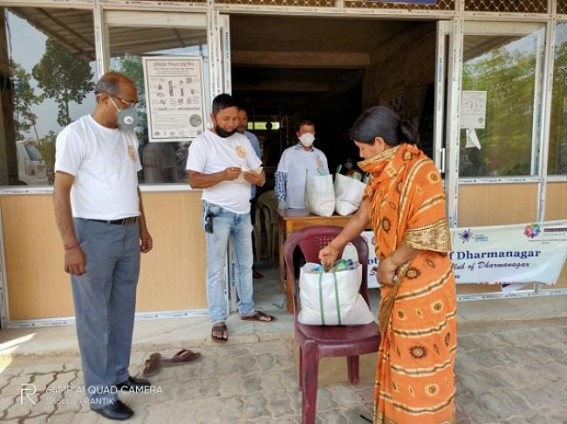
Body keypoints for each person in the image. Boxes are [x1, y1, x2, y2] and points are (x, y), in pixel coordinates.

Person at [318, 106, 457, 423]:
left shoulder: (422, 171)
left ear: (379, 143)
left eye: (362, 147)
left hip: (424, 284)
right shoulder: (381, 174)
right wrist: (336, 245)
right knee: (397, 351)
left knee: (419, 356)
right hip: (396, 277)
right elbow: (362, 215)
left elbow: (428, 231)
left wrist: (390, 262)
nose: (361, 154)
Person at [53, 72, 153, 421]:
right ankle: (99, 394)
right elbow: (61, 191)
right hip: (92, 236)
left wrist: (143, 226)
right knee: (94, 318)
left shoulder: (126, 135)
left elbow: (133, 185)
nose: (129, 110)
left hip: (127, 233)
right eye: (125, 102)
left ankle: (119, 375)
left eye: (132, 104)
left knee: (122, 310)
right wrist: (70, 245)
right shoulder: (75, 135)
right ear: (102, 98)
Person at [186, 93, 276, 343]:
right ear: (213, 117)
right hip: (217, 211)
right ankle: (218, 318)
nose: (231, 123)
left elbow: (260, 174)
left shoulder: (243, 141)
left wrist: (257, 179)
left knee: (245, 264)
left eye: (235, 118)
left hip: (242, 211)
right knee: (216, 268)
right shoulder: (202, 143)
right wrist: (223, 175)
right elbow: (194, 180)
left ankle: (246, 309)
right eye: (226, 118)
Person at [274, 120, 329, 209]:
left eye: (311, 132)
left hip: (316, 206)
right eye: (304, 132)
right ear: (298, 134)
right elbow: (280, 177)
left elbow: (326, 180)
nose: (308, 135)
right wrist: (281, 200)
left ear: (314, 133)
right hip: (293, 205)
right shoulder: (289, 153)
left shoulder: (320, 155)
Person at [237, 104, 264, 279]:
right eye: (237, 118)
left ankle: (250, 268)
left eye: (243, 118)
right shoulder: (222, 139)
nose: (240, 122)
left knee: (248, 231)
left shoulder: (251, 139)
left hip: (249, 194)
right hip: (230, 195)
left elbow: (257, 167)